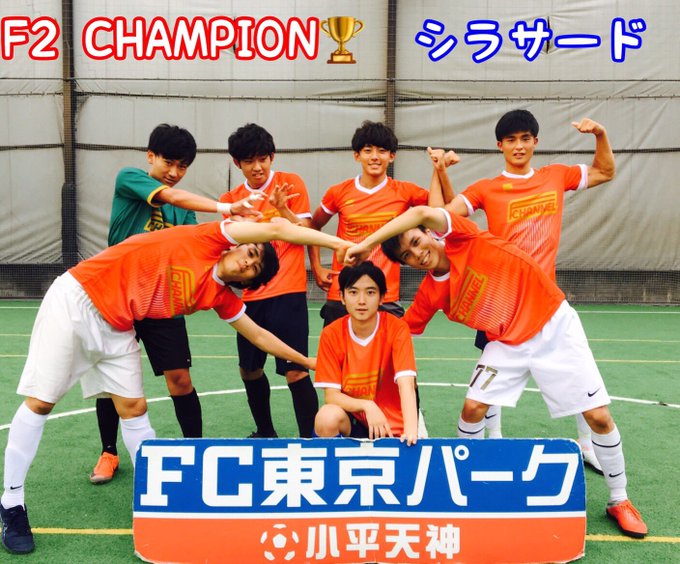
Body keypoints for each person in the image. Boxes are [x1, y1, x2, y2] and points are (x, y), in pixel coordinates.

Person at [0, 219, 350, 555]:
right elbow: (276, 228)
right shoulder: (207, 239)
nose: (248, 261)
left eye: (255, 266)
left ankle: (156, 500)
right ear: (237, 245)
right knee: (41, 402)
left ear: (250, 281)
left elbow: (258, 335)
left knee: (134, 409)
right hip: (78, 297)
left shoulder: (220, 296)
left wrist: (307, 362)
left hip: (118, 325)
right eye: (251, 251)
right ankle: (12, 504)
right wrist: (339, 243)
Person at [344, 205, 648, 539]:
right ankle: (467, 486)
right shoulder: (431, 293)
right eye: (407, 255)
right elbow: (399, 333)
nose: (417, 254)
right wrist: (354, 343)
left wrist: (366, 243)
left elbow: (419, 211)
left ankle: (619, 499)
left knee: (598, 417)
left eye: (416, 242)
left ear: (429, 233)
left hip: (553, 323)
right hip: (506, 342)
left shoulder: (463, 237)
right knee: (473, 408)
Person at [428, 109, 615, 473]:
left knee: (581, 383)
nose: (518, 146)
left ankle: (587, 445)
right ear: (500, 145)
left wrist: (600, 134)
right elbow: (441, 219)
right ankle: (490, 443)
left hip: (548, 308)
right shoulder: (486, 188)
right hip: (502, 307)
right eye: (510, 140)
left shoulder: (555, 176)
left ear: (535, 142)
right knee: (485, 389)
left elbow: (605, 171)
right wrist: (438, 171)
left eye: (525, 139)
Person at [90, 124, 264, 485]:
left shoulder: (185, 213)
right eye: (168, 162)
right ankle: (108, 452)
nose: (173, 172)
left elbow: (197, 243)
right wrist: (227, 208)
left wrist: (248, 225)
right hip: (118, 298)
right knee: (111, 383)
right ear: (150, 156)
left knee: (180, 379)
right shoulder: (131, 180)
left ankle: (195, 451)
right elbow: (174, 198)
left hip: (162, 302)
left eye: (182, 166)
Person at [219, 123, 317, 438]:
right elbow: (232, 249)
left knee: (296, 371)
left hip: (288, 293)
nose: (257, 167)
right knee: (249, 370)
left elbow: (306, 232)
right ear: (237, 163)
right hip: (250, 298)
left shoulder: (290, 183)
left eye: (263, 158)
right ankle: (265, 432)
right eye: (249, 161)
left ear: (272, 156)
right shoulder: (231, 199)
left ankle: (311, 440)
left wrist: (282, 209)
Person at [308, 120, 430, 326]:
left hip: (386, 295)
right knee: (337, 347)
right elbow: (313, 226)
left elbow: (442, 210)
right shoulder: (338, 192)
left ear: (392, 156)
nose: (375, 156)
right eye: (367, 150)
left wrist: (440, 171)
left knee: (389, 348)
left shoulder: (406, 191)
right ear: (357, 155)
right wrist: (316, 267)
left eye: (382, 151)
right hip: (343, 292)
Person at [314, 262, 418, 446]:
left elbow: (406, 383)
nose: (361, 301)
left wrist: (411, 432)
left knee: (408, 443)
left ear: (382, 298)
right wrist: (366, 405)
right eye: (353, 292)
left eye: (370, 292)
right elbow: (331, 396)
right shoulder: (331, 334)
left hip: (390, 424)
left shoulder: (397, 328)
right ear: (342, 297)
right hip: (354, 420)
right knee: (326, 417)